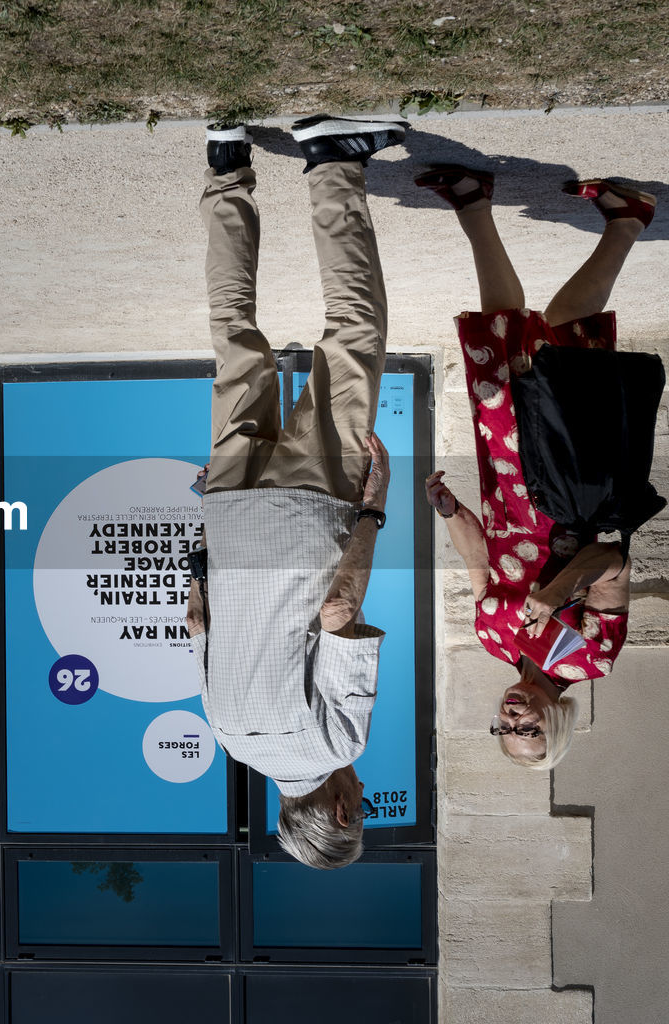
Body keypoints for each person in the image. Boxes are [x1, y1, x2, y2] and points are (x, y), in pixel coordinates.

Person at [185, 114, 407, 870]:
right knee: (234, 342)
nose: (362, 788)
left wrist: (374, 507)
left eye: (360, 803)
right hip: (228, 509)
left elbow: (338, 609)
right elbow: (197, 613)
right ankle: (225, 163)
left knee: (353, 336)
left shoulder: (338, 743)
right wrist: (205, 523)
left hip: (313, 513)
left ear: (340, 808)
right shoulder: (227, 734)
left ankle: (333, 160)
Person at [416, 168, 652, 770]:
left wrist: (452, 513)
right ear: (557, 725)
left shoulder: (495, 642)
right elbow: (613, 563)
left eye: (504, 728)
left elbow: (478, 566)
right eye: (528, 730)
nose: (512, 718)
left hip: (507, 481)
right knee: (553, 343)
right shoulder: (590, 659)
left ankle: (616, 219)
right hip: (568, 480)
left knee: (503, 351)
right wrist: (550, 596)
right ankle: (614, 219)